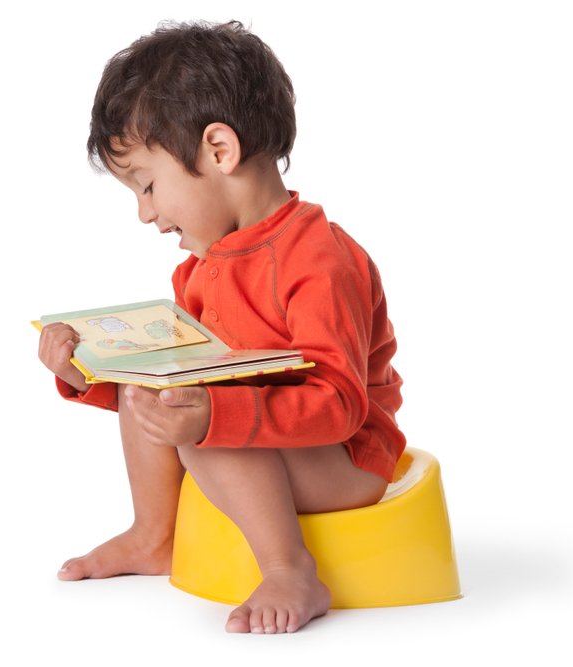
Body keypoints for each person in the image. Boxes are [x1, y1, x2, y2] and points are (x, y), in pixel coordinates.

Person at [38, 20, 405, 634]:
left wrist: (216, 417)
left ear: (218, 150)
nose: (145, 213)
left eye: (148, 186)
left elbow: (340, 405)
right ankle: (155, 536)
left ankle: (290, 568)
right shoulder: (199, 272)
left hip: (346, 457)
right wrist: (86, 373)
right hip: (268, 447)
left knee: (207, 416)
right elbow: (164, 387)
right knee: (157, 390)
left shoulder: (321, 260)